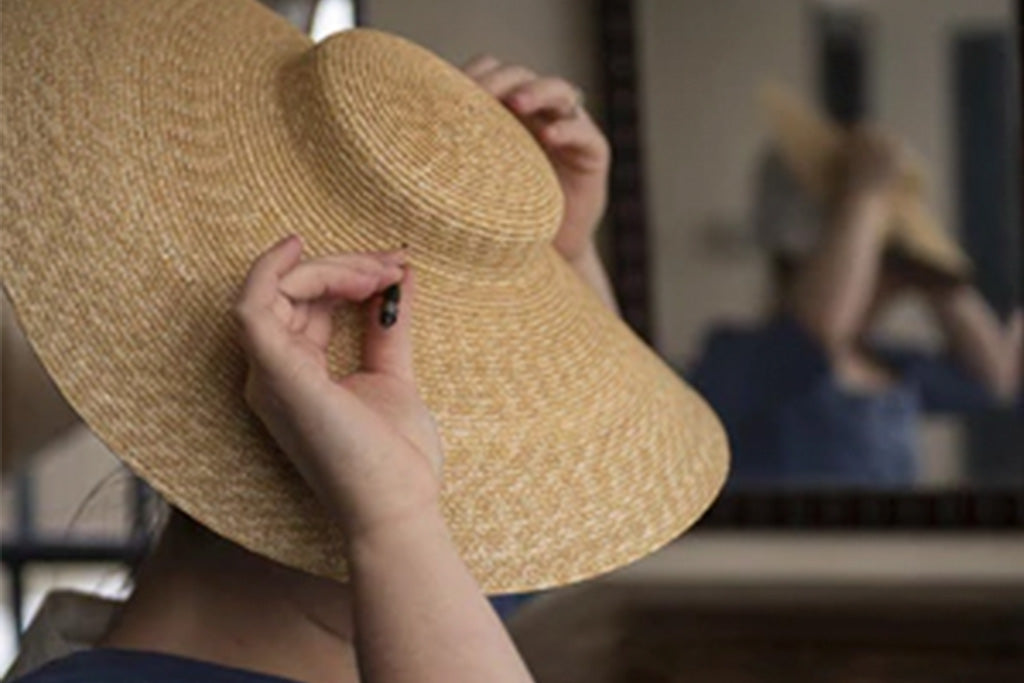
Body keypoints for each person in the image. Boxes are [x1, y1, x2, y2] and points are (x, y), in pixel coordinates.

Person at [2, 2, 728, 680]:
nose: (502, 523)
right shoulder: (414, 568)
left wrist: (558, 257)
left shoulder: (418, 583)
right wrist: (395, 519)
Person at [690, 127, 1022, 487]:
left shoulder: (890, 366)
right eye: (876, 262)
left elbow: (994, 379)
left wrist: (934, 272)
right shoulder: (739, 358)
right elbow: (816, 331)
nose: (888, 284)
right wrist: (865, 194)